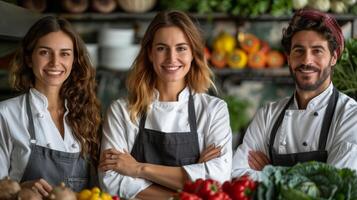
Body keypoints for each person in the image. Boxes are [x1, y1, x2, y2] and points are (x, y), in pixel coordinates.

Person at [99, 10, 232, 199]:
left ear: (193, 54)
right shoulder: (122, 111)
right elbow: (112, 182)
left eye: (181, 48)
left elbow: (217, 179)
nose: (171, 58)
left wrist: (138, 168)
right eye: (162, 48)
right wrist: (189, 187)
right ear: (150, 53)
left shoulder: (213, 110)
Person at [232, 8, 357, 180]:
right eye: (298, 50)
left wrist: (270, 171)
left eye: (317, 51)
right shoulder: (268, 114)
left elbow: (335, 186)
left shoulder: (350, 116)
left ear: (334, 57)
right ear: (289, 57)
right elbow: (237, 174)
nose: (306, 60)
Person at [0, 16, 101, 195]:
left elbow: (98, 189)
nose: (55, 62)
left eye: (64, 54)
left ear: (74, 61)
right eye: (45, 52)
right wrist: (20, 189)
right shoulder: (6, 114)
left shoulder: (87, 114)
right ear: (29, 59)